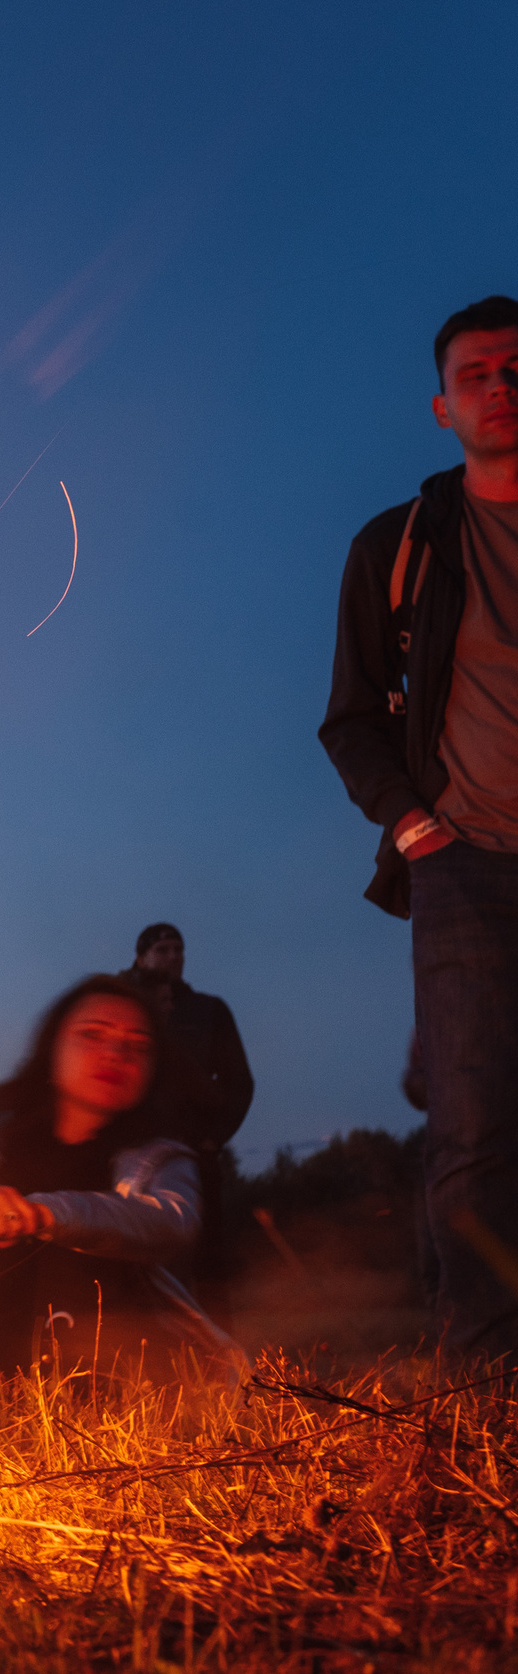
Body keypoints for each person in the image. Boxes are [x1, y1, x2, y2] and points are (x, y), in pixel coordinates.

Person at [319, 294, 518, 1360]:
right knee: (475, 1124)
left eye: (515, 367)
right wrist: (409, 824)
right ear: (442, 407)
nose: (501, 387)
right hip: (465, 866)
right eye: (478, 373)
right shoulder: (398, 546)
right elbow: (350, 717)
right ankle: (481, 1383)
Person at [0, 975, 237, 1382]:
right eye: (92, 1035)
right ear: (52, 1052)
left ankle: (55, 1387)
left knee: (76, 1245)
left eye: (137, 1045)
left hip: (106, 1361)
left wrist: (41, 1215)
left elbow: (171, 1223)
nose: (115, 1052)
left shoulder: (159, 1157)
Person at [116, 922, 253, 1304]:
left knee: (207, 1254)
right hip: (131, 1149)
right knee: (130, 1248)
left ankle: (215, 1350)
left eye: (179, 949)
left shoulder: (208, 1011)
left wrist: (214, 1137)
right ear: (141, 958)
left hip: (193, 1149)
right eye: (162, 950)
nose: (173, 957)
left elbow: (238, 1081)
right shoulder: (122, 1007)